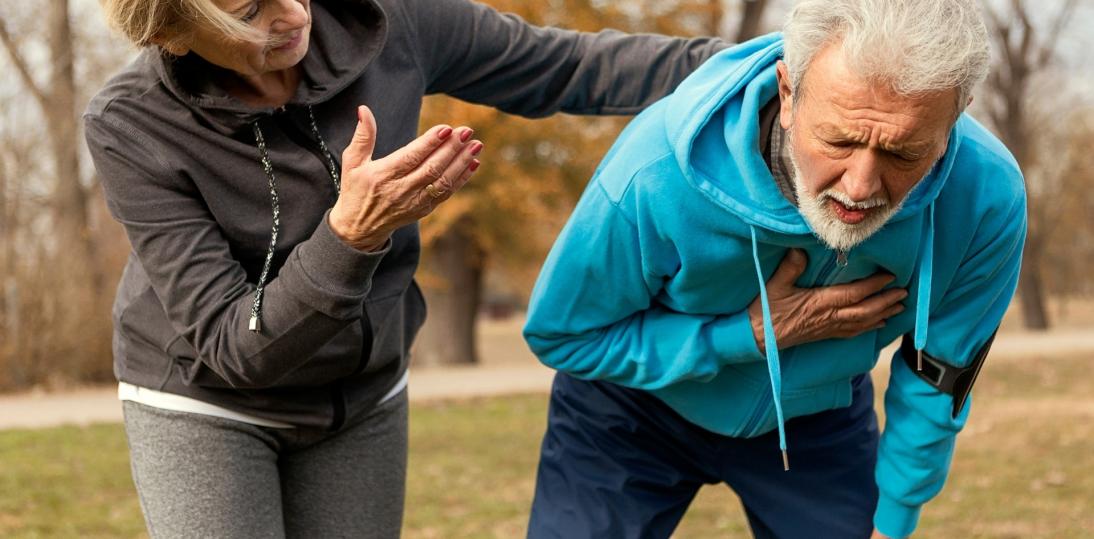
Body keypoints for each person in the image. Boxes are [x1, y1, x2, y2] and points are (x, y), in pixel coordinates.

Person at [85, 0, 727, 536]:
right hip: (208, 401)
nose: (292, 14)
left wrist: (769, 60)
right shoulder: (131, 122)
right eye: (249, 11)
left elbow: (569, 65)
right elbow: (234, 347)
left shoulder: (385, 18)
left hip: (363, 394)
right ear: (172, 33)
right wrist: (348, 236)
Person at [522, 1, 1026, 538]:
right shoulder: (652, 172)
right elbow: (562, 336)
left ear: (956, 115)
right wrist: (747, 334)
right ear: (788, 93)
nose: (860, 188)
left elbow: (939, 372)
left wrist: (895, 517)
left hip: (817, 415)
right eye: (839, 141)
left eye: (903, 154)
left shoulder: (986, 199)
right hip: (629, 409)